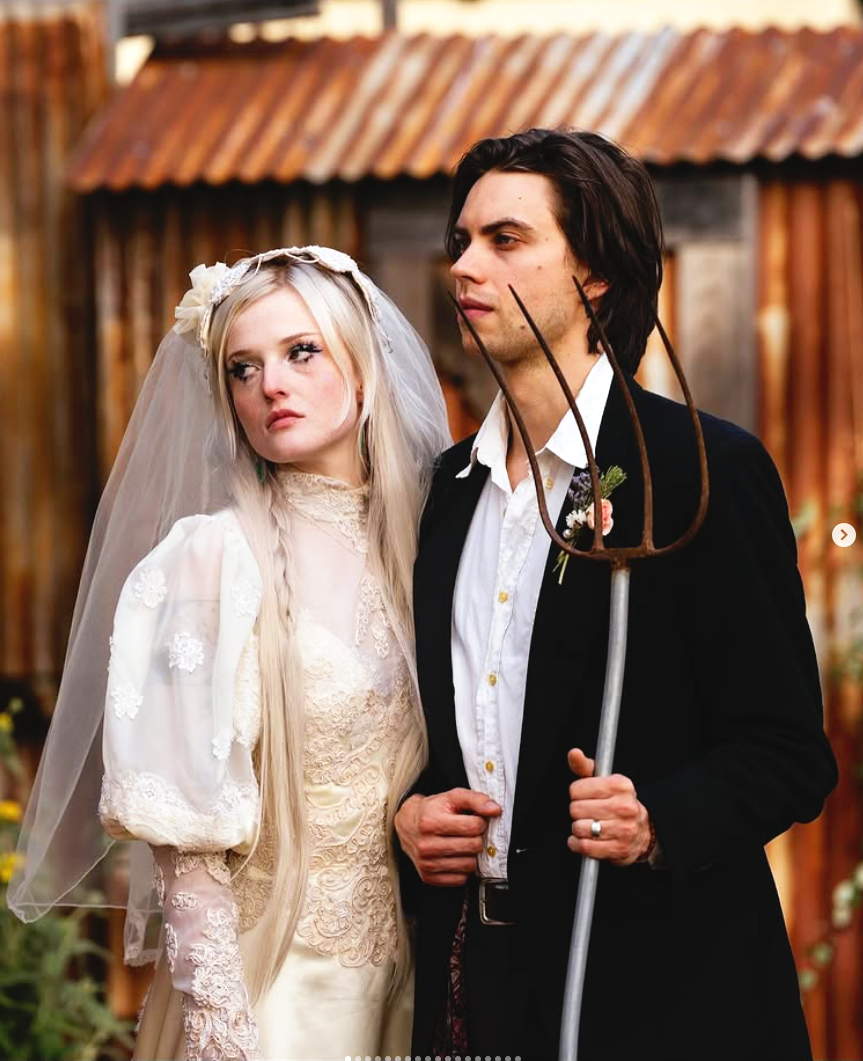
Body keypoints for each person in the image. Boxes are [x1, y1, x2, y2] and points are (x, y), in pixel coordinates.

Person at [394, 128, 839, 1061]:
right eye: (460, 242)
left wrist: (657, 821)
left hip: (660, 988)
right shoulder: (442, 493)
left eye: (504, 240)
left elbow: (788, 749)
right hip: (472, 980)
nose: (464, 266)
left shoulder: (700, 469)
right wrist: (413, 815)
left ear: (592, 270)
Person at [8, 246, 452, 1060]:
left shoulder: (427, 547)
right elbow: (185, 840)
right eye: (241, 369)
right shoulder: (210, 559)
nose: (270, 385)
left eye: (299, 352)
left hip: (400, 985)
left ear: (365, 363)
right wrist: (221, 1026)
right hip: (267, 995)